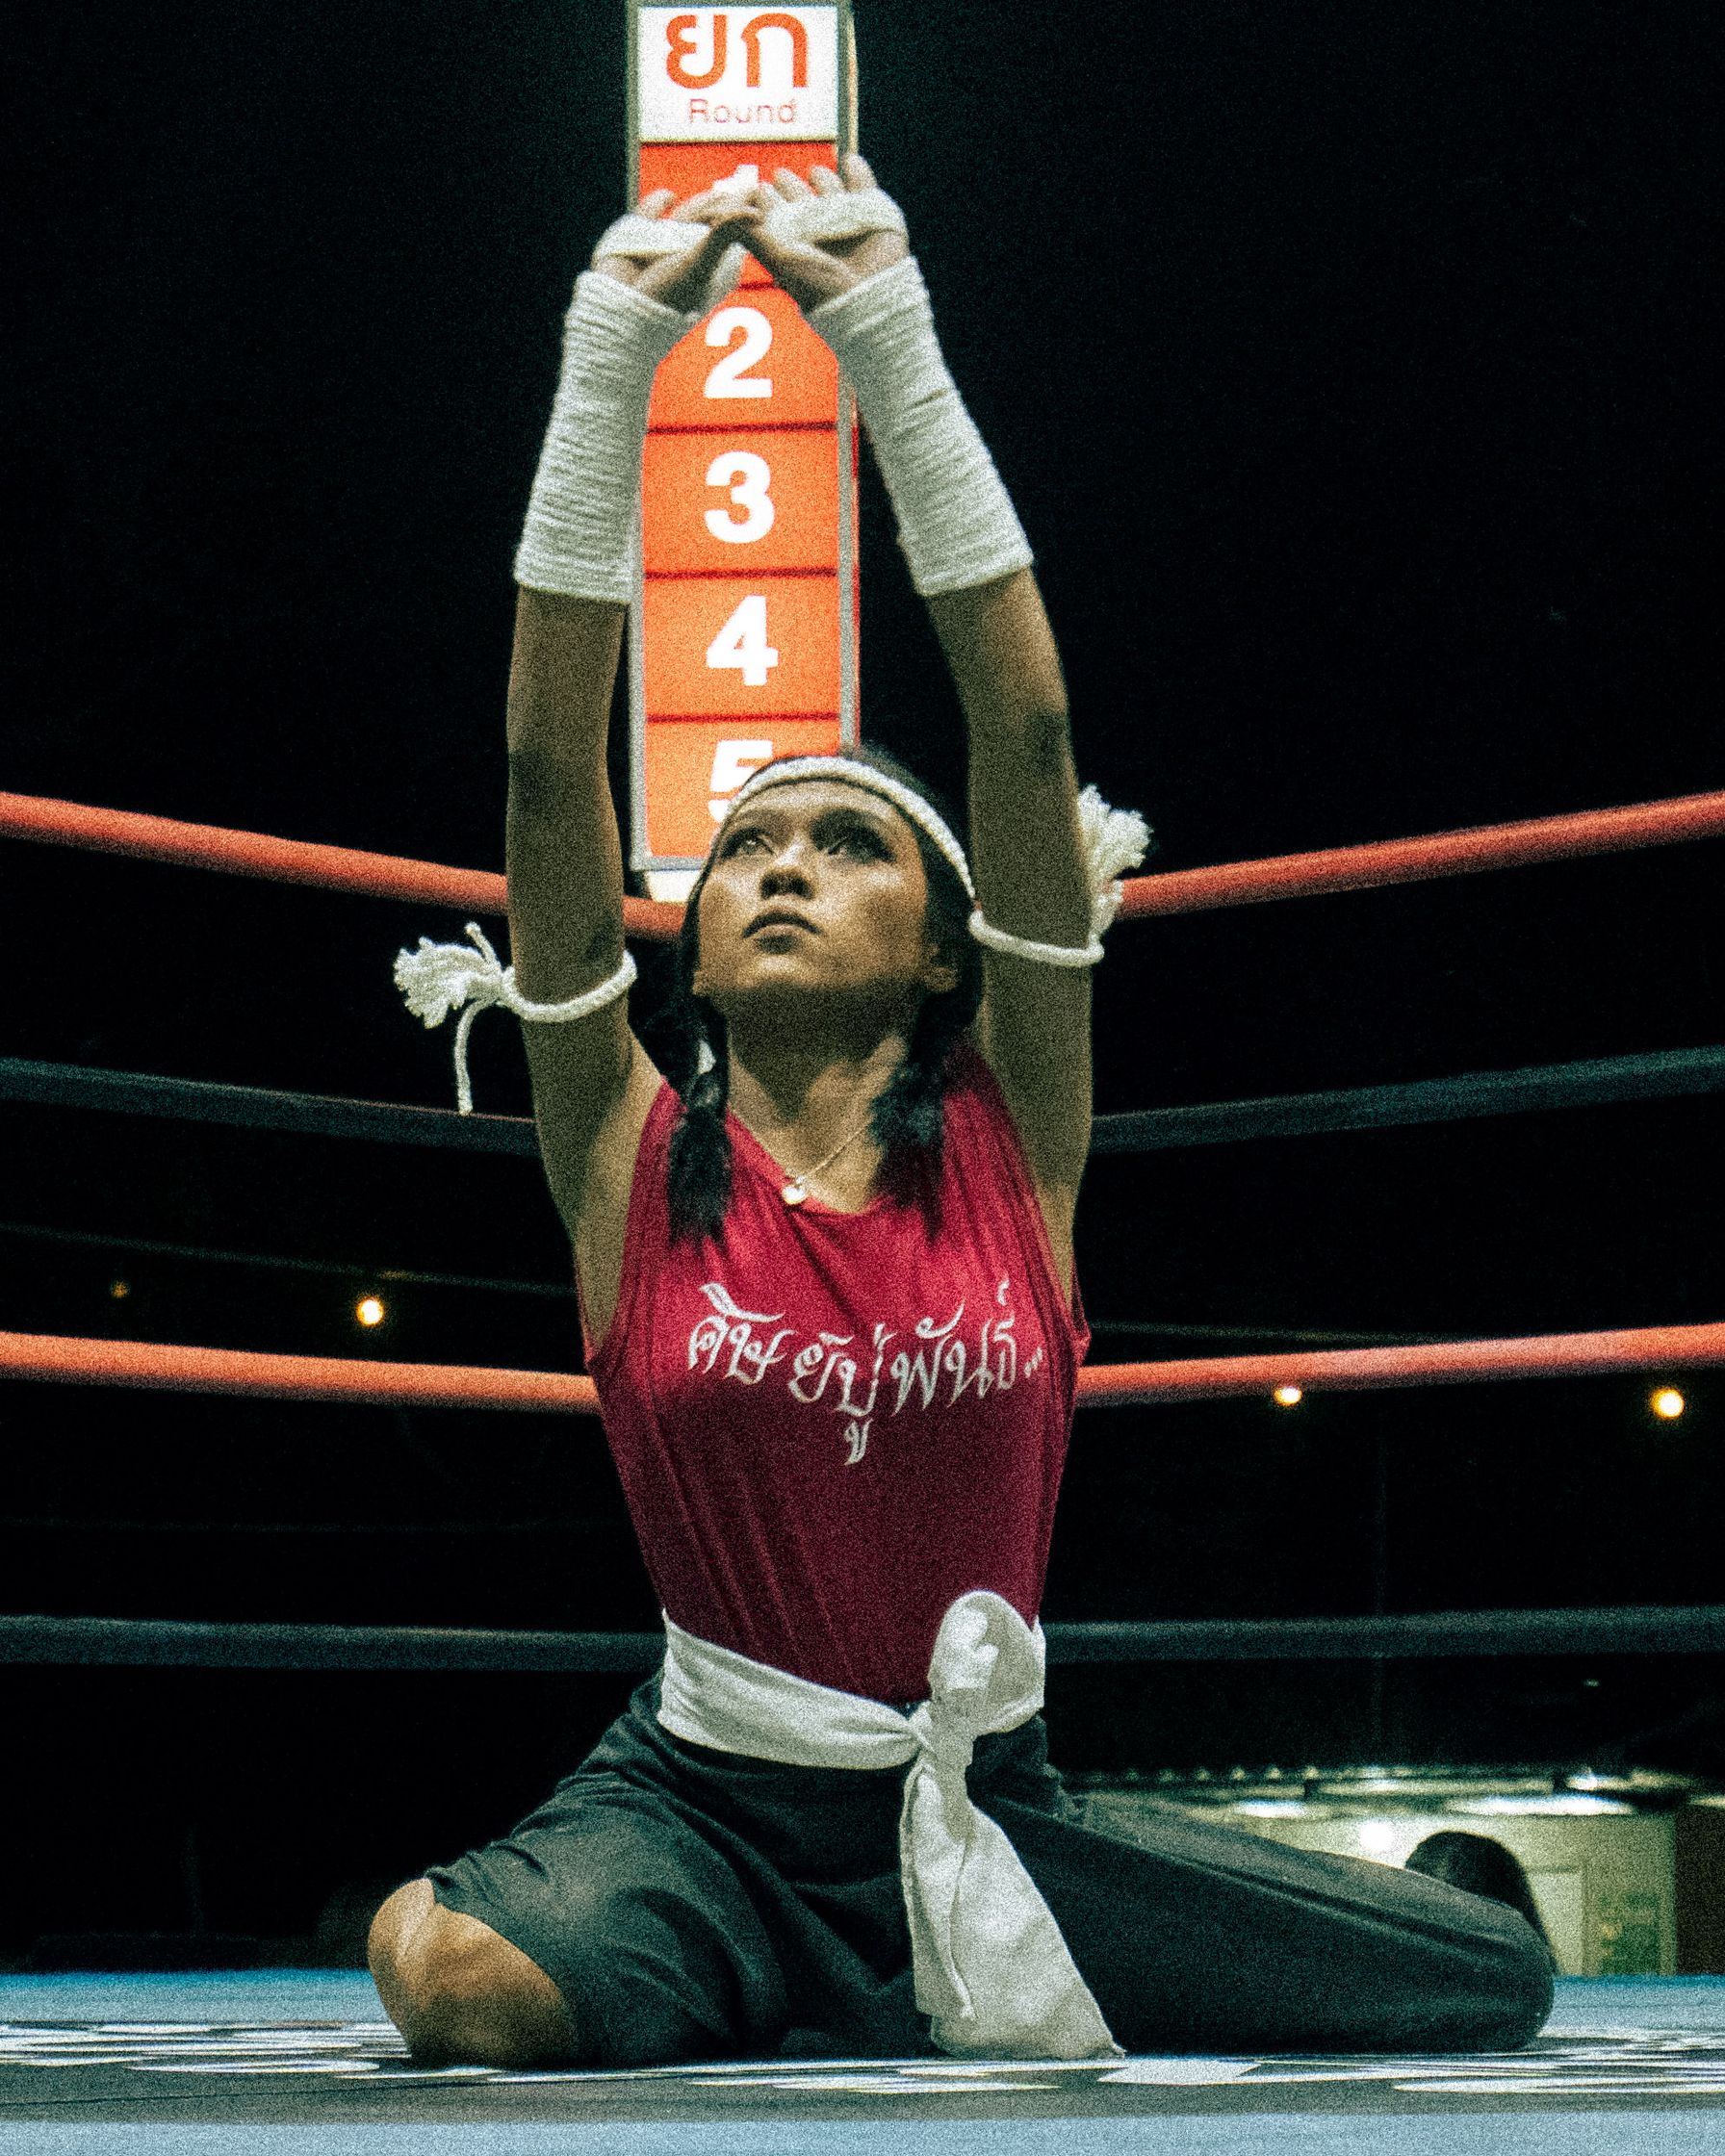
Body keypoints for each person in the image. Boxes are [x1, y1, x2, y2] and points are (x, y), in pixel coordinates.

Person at [370, 159, 1555, 2069]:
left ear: (945, 946)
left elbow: (1024, 740)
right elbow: (535, 771)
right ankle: (745, 1951)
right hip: (699, 1812)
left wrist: (887, 344)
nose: (778, 865)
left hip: (984, 1801)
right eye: (747, 843)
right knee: (453, 1978)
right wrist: (611, 361)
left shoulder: (1020, 1132)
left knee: (1484, 1979)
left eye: (845, 846)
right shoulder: (625, 1148)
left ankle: (1338, 1893)